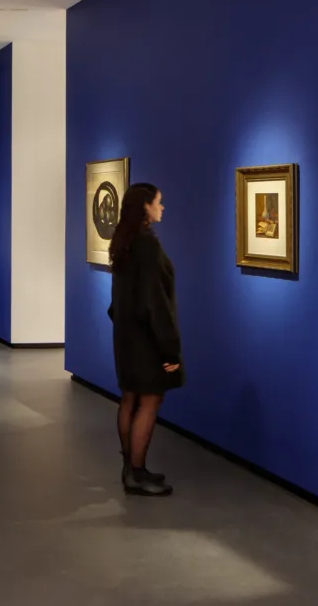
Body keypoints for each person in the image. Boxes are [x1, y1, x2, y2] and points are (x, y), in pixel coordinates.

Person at [107, 183, 184, 496]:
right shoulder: (147, 246)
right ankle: (136, 473)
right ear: (146, 208)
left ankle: (130, 468)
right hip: (145, 339)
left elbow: (119, 299)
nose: (162, 208)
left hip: (126, 336)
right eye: (159, 202)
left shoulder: (123, 242)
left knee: (129, 400)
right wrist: (170, 349)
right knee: (150, 401)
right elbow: (155, 302)